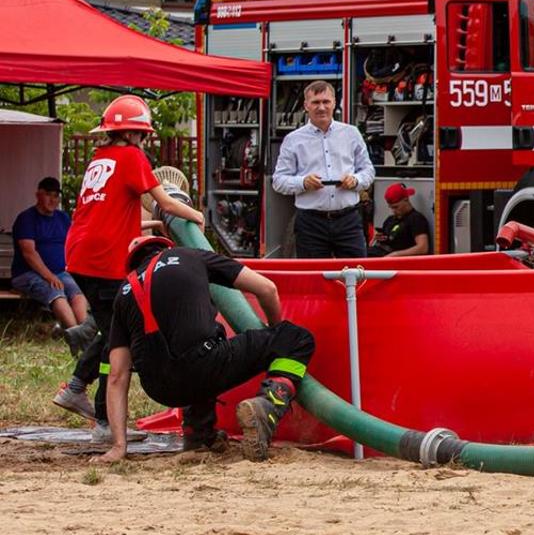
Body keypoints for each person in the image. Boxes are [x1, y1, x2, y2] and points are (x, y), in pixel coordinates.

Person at [94, 236, 316, 464]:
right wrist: (276, 334)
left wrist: (119, 446)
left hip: (160, 389)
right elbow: (267, 289)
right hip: (205, 366)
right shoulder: (189, 255)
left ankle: (199, 433)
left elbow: (116, 376)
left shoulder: (124, 292)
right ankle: (268, 406)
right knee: (298, 339)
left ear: (133, 265)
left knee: (194, 349)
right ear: (167, 247)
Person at [57, 96, 206, 428]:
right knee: (117, 337)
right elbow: (166, 201)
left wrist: (154, 225)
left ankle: (83, 392)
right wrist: (196, 215)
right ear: (133, 133)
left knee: (113, 328)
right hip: (103, 259)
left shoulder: (100, 158)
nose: (143, 140)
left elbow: (111, 217)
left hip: (79, 253)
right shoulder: (131, 156)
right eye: (142, 134)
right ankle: (97, 413)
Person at [271, 82, 374, 259]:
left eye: (326, 102)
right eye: (315, 102)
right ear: (306, 105)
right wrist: (303, 182)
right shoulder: (293, 140)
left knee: (356, 272)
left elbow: (368, 170)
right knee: (315, 274)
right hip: (311, 223)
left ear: (334, 102)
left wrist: (355, 180)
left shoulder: (351, 134)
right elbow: (278, 181)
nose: (321, 107)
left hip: (348, 220)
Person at [13, 176, 86, 330]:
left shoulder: (62, 218)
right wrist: (49, 276)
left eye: (56, 196)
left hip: (60, 272)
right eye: (48, 195)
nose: (52, 200)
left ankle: (86, 333)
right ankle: (75, 334)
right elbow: (29, 253)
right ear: (38, 195)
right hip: (27, 274)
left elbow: (74, 244)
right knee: (55, 291)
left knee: (77, 292)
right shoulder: (26, 218)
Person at [371, 184, 431, 257]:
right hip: (377, 252)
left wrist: (394, 255)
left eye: (396, 207)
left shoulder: (416, 219)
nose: (393, 211)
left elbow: (423, 248)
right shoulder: (390, 219)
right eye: (391, 207)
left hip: (392, 257)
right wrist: (377, 237)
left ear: (406, 199)